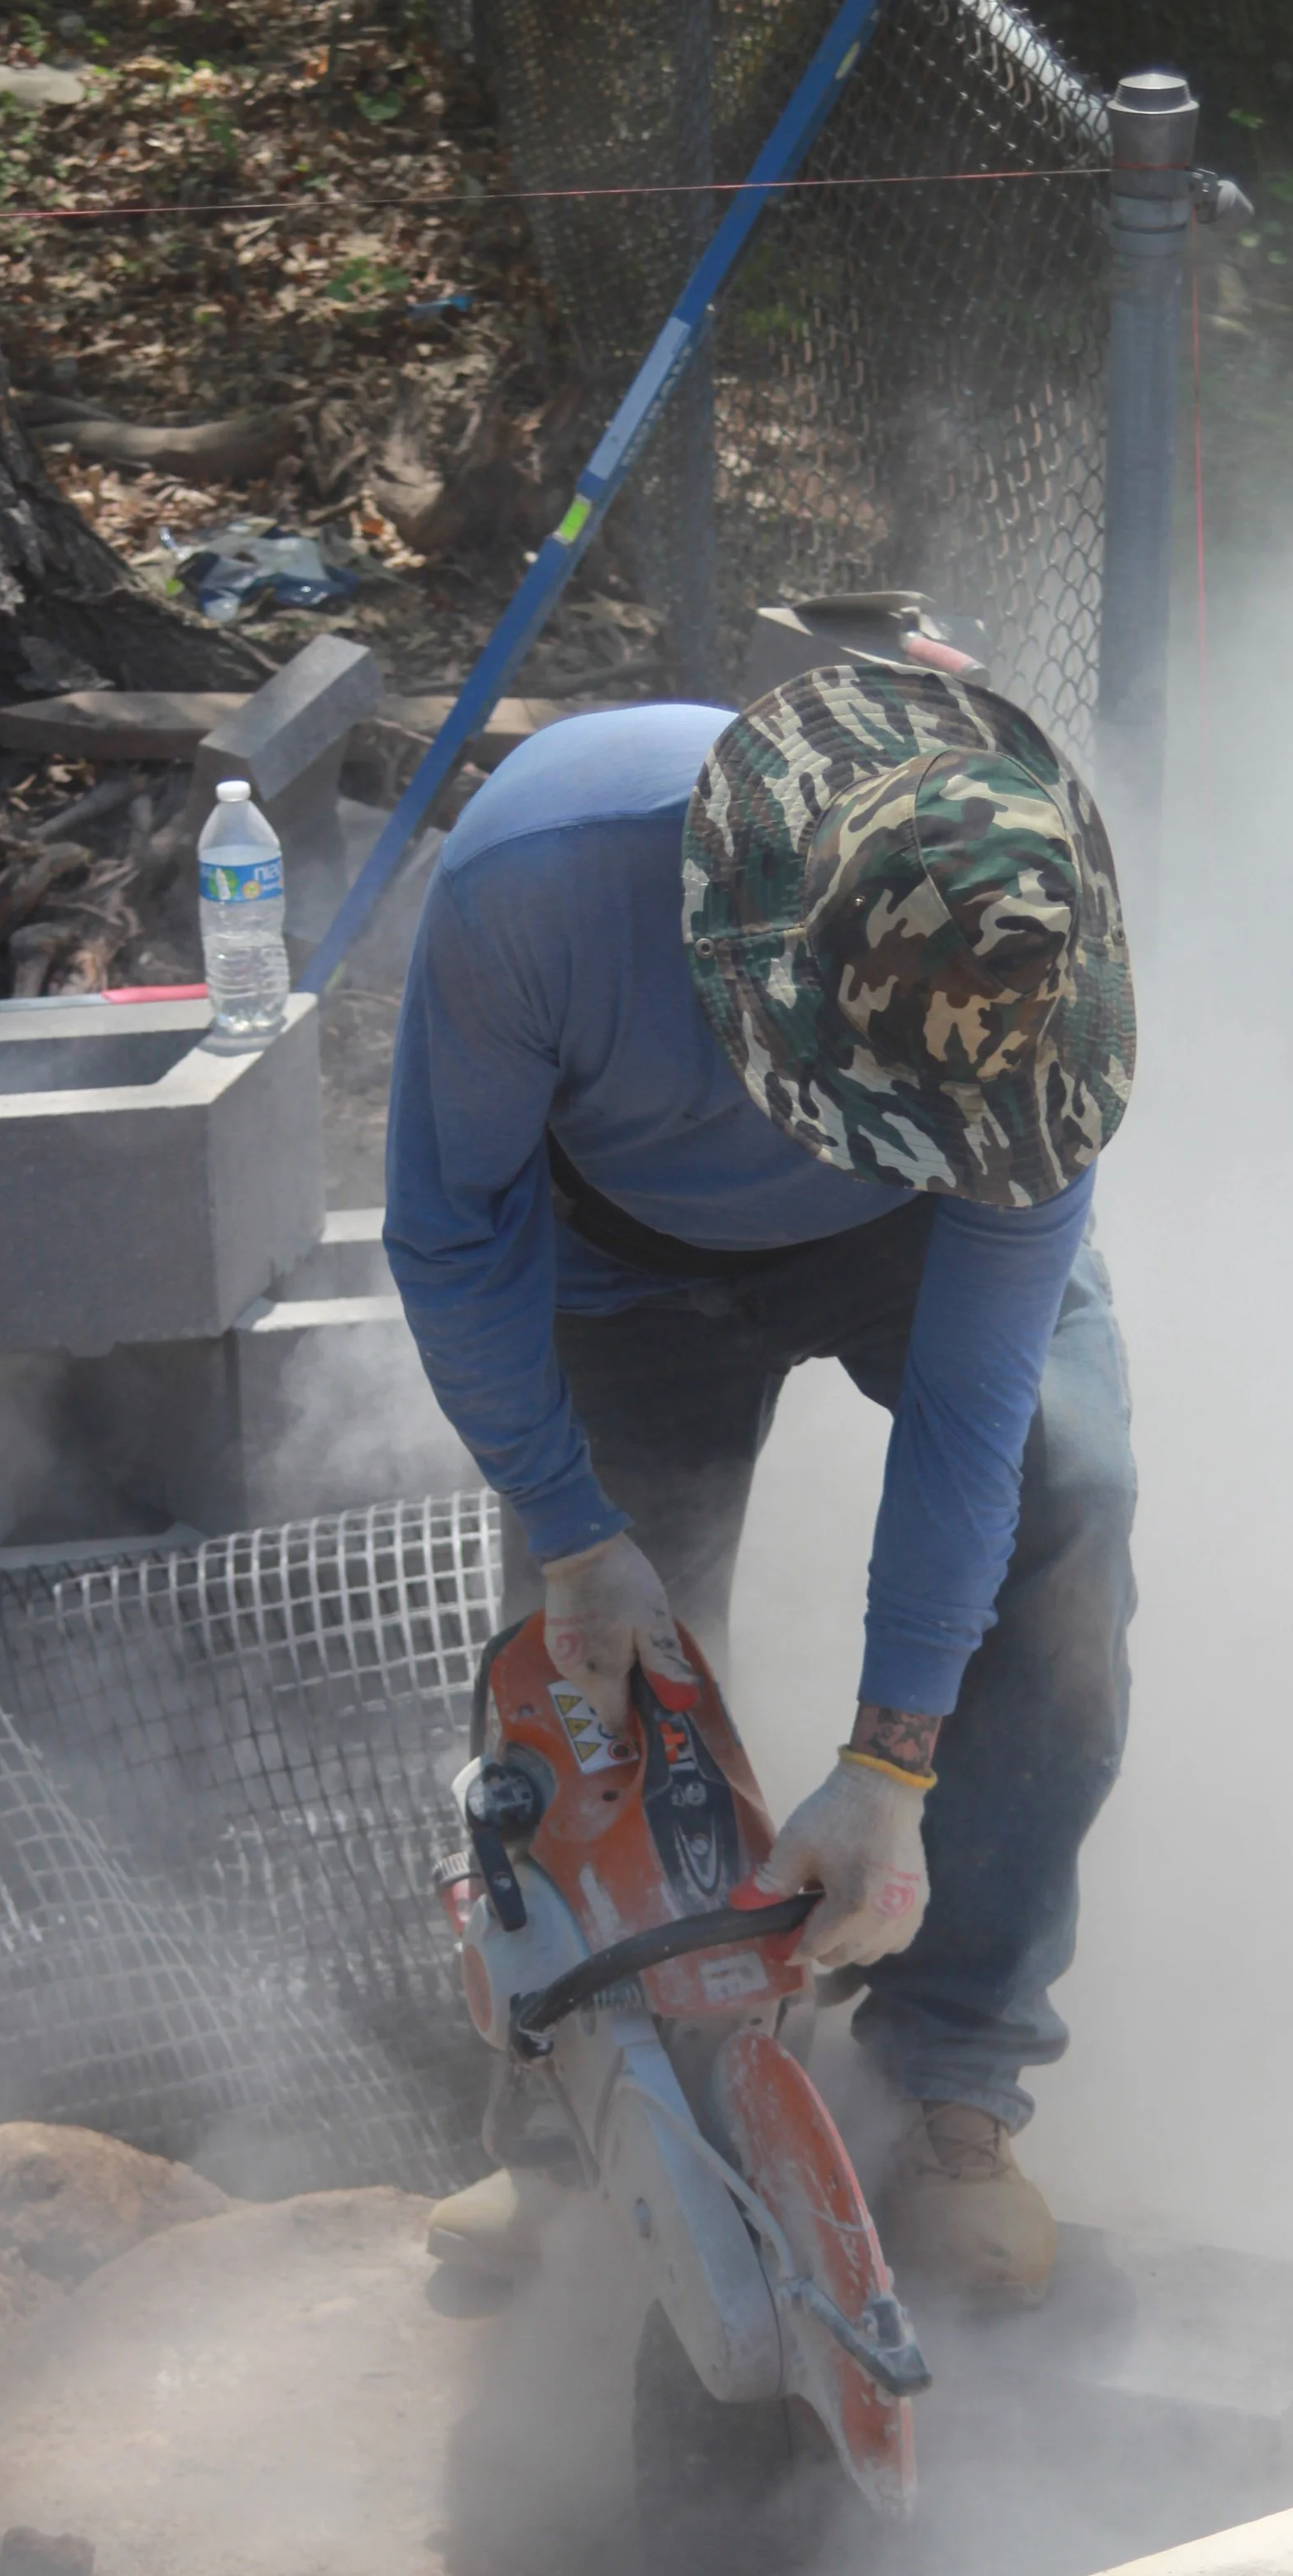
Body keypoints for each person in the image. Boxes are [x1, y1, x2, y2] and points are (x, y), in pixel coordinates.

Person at [385, 658, 1137, 2303]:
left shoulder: (1024, 994)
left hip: (917, 1238)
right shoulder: (544, 878)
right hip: (615, 1256)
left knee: (1065, 1500)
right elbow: (451, 1229)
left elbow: (970, 1419)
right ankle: (571, 2136)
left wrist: (889, 1765)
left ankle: (952, 2080)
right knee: (586, 1680)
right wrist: (575, 1529)